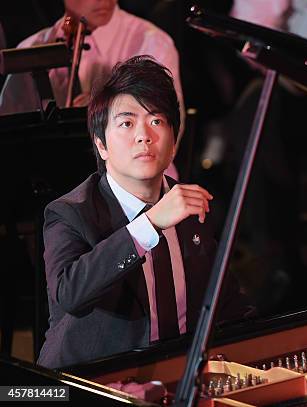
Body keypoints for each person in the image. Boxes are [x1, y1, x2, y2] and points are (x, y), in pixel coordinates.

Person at [38, 56, 243, 369]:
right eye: (126, 123)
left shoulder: (190, 204)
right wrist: (149, 223)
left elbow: (225, 303)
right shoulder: (69, 213)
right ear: (101, 145)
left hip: (176, 378)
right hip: (89, 382)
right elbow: (70, 294)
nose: (144, 135)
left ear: (173, 143)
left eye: (157, 121)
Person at [0, 0, 184, 127]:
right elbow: (10, 124)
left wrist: (108, 109)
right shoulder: (32, 47)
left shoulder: (150, 41)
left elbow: (167, 127)